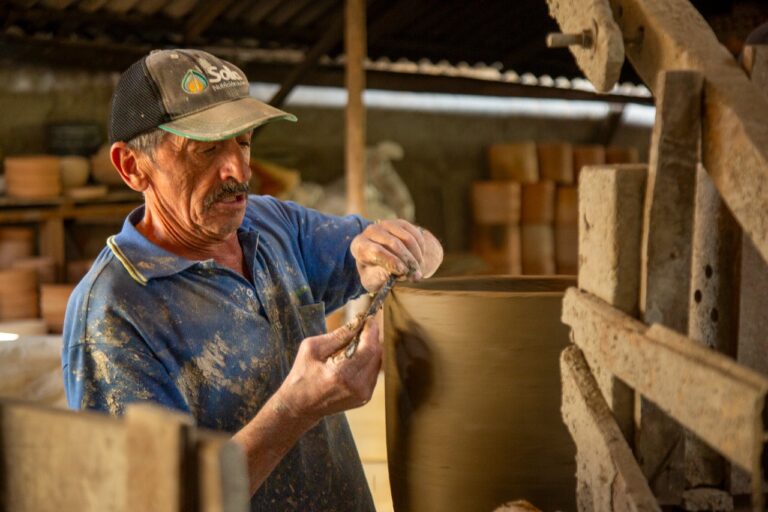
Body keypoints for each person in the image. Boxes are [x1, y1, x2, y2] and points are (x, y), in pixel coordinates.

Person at [62, 48, 443, 511]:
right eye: (205, 150)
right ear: (131, 166)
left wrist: (399, 248)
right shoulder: (112, 314)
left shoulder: (270, 224)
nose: (238, 172)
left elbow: (408, 247)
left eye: (243, 142)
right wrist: (293, 410)